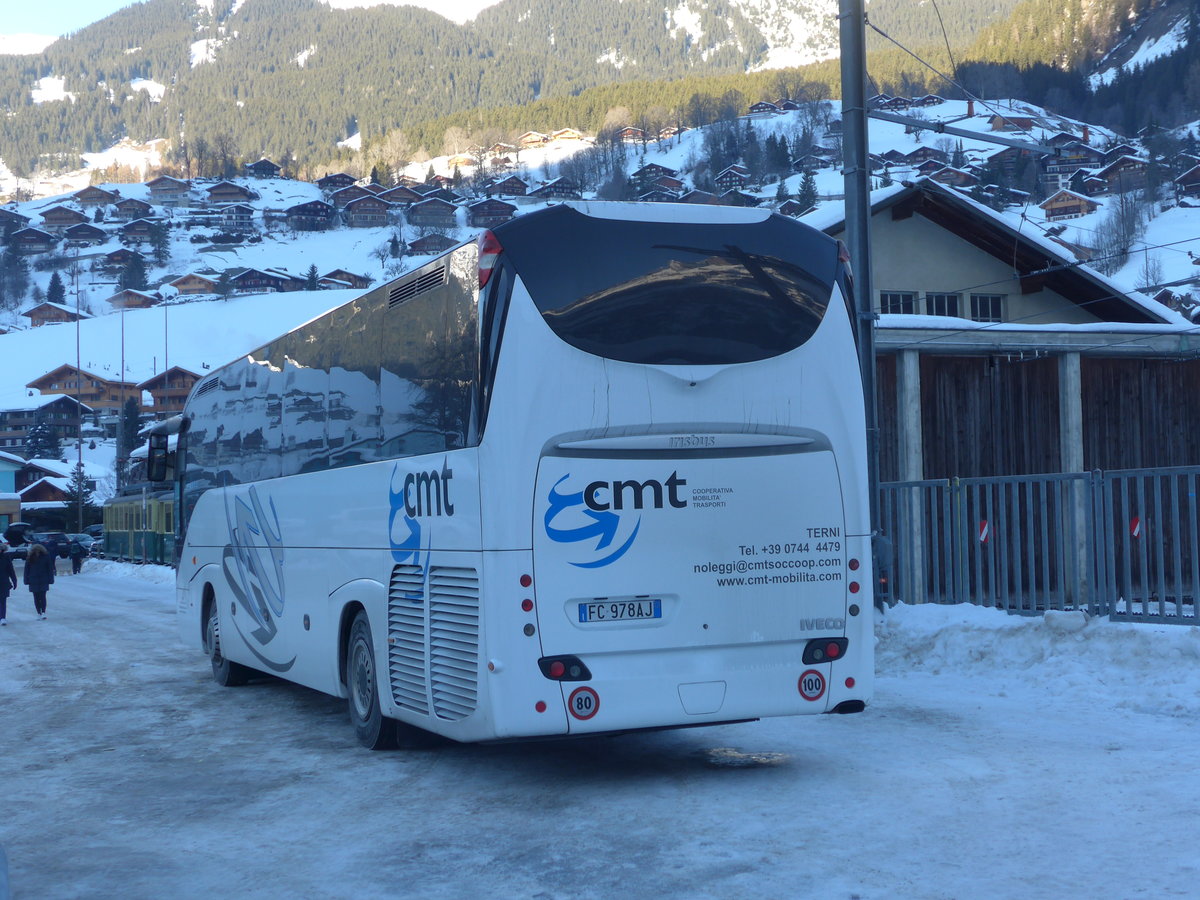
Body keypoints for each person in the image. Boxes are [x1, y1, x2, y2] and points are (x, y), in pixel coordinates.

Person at [23, 541, 55, 620]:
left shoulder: (45, 557)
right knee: (37, 597)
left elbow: (49, 569)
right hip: (35, 580)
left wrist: (51, 579)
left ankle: (42, 612)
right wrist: (26, 580)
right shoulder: (30, 558)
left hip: (41, 579)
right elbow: (26, 570)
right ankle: (39, 612)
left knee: (42, 596)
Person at [0, 540, 16, 626]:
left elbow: (11, 570)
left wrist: (14, 580)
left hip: (3, 582)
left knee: (2, 600)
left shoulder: (6, 557)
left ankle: (2, 617)